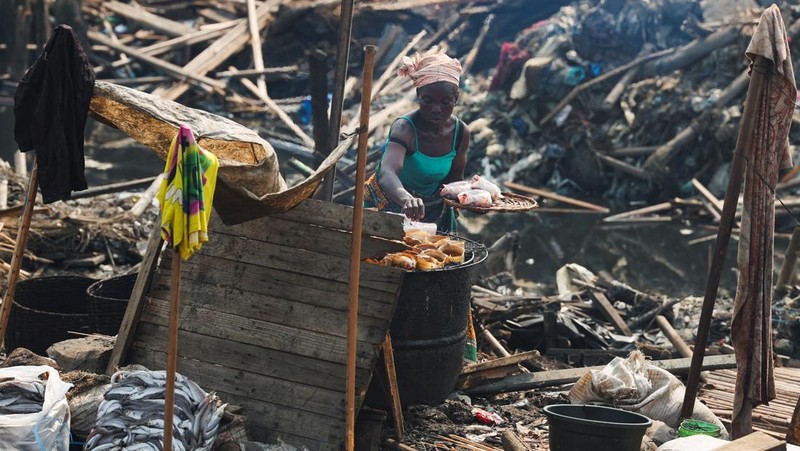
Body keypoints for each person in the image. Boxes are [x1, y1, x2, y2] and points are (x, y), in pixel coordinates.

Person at [364, 53, 470, 233]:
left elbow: (453, 180)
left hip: (434, 207)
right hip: (391, 201)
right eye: (428, 101)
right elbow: (387, 171)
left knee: (435, 256)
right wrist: (406, 199)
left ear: (456, 98)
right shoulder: (404, 128)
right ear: (418, 94)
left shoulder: (460, 132)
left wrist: (473, 198)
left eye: (446, 102)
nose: (436, 109)